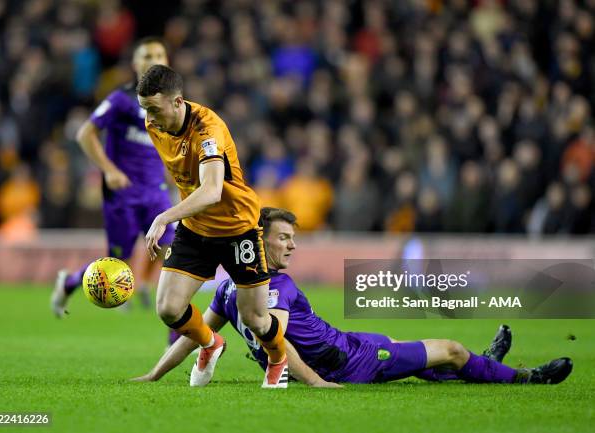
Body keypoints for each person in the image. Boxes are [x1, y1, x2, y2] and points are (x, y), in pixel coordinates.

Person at [133, 207, 573, 387]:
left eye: (293, 238)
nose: (292, 246)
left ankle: (490, 364)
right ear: (258, 239)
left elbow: (197, 333)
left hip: (349, 344)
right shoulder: (268, 288)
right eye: (283, 238)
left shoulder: (231, 286)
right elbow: (275, 343)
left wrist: (154, 375)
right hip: (350, 361)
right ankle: (525, 377)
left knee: (434, 362)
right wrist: (318, 384)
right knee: (449, 351)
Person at [135, 65, 288, 388]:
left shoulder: (207, 129)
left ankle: (277, 358)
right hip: (195, 228)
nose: (149, 116)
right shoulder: (154, 123)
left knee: (256, 320)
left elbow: (212, 190)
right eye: (145, 108)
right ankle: (211, 342)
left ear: (178, 102)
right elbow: (179, 169)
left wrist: (164, 216)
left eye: (154, 108)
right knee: (168, 308)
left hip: (237, 227)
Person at [51, 37, 174, 316]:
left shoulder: (172, 105)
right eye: (146, 55)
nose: (153, 59)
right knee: (118, 259)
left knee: (171, 243)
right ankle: (69, 282)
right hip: (124, 191)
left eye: (159, 54)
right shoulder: (121, 100)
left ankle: (142, 284)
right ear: (135, 63)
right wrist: (109, 170)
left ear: (167, 61)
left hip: (156, 189)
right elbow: (85, 134)